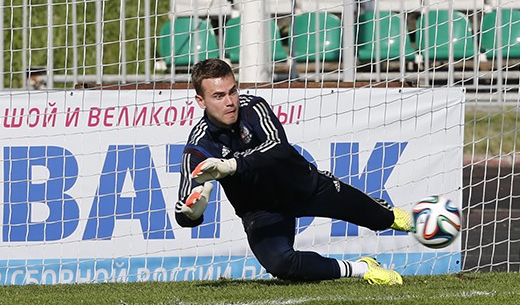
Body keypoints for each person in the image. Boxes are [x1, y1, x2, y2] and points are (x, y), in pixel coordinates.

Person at [174, 58, 414, 285]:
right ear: (201, 101)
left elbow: (278, 148)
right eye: (219, 96)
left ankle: (400, 215)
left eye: (232, 91)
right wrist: (192, 215)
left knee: (383, 220)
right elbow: (183, 207)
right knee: (280, 264)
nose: (230, 101)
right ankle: (363, 268)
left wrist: (233, 165)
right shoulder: (198, 146)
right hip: (261, 212)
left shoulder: (252, 107)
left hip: (305, 186)